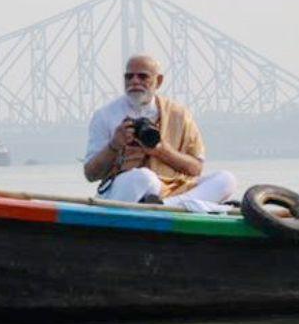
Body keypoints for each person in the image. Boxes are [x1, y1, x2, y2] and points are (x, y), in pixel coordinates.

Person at [83, 54, 236, 210]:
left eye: (143, 77)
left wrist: (161, 150)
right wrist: (114, 145)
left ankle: (164, 205)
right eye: (129, 77)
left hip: (172, 189)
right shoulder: (106, 115)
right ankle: (186, 206)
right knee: (143, 177)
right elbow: (90, 174)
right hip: (127, 187)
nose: (134, 81)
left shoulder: (179, 114)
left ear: (159, 81)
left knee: (226, 179)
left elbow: (195, 169)